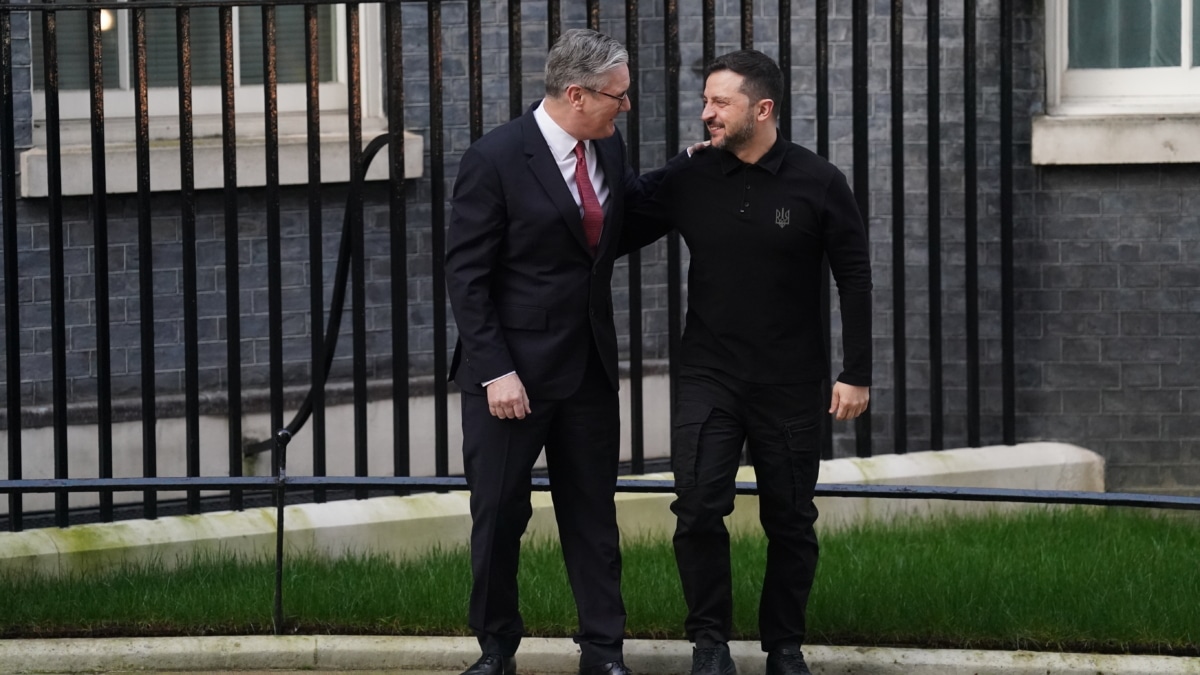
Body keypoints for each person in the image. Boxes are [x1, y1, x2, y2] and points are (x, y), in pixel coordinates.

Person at [445, 28, 688, 675]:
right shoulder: (495, 158)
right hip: (510, 378)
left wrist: (689, 173)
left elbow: (617, 225)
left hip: (586, 370)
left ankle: (604, 653)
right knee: (499, 516)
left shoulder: (605, 148)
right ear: (576, 94)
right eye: (619, 95)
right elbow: (466, 277)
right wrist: (496, 369)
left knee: (592, 517)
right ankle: (496, 649)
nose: (626, 106)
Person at [627, 50, 873, 675]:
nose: (706, 113)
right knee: (699, 507)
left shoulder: (819, 182)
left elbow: (855, 277)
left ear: (762, 109)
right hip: (709, 373)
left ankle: (783, 646)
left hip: (791, 379)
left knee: (790, 518)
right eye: (706, 100)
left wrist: (856, 372)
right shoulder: (692, 177)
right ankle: (709, 643)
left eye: (720, 102)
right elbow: (619, 223)